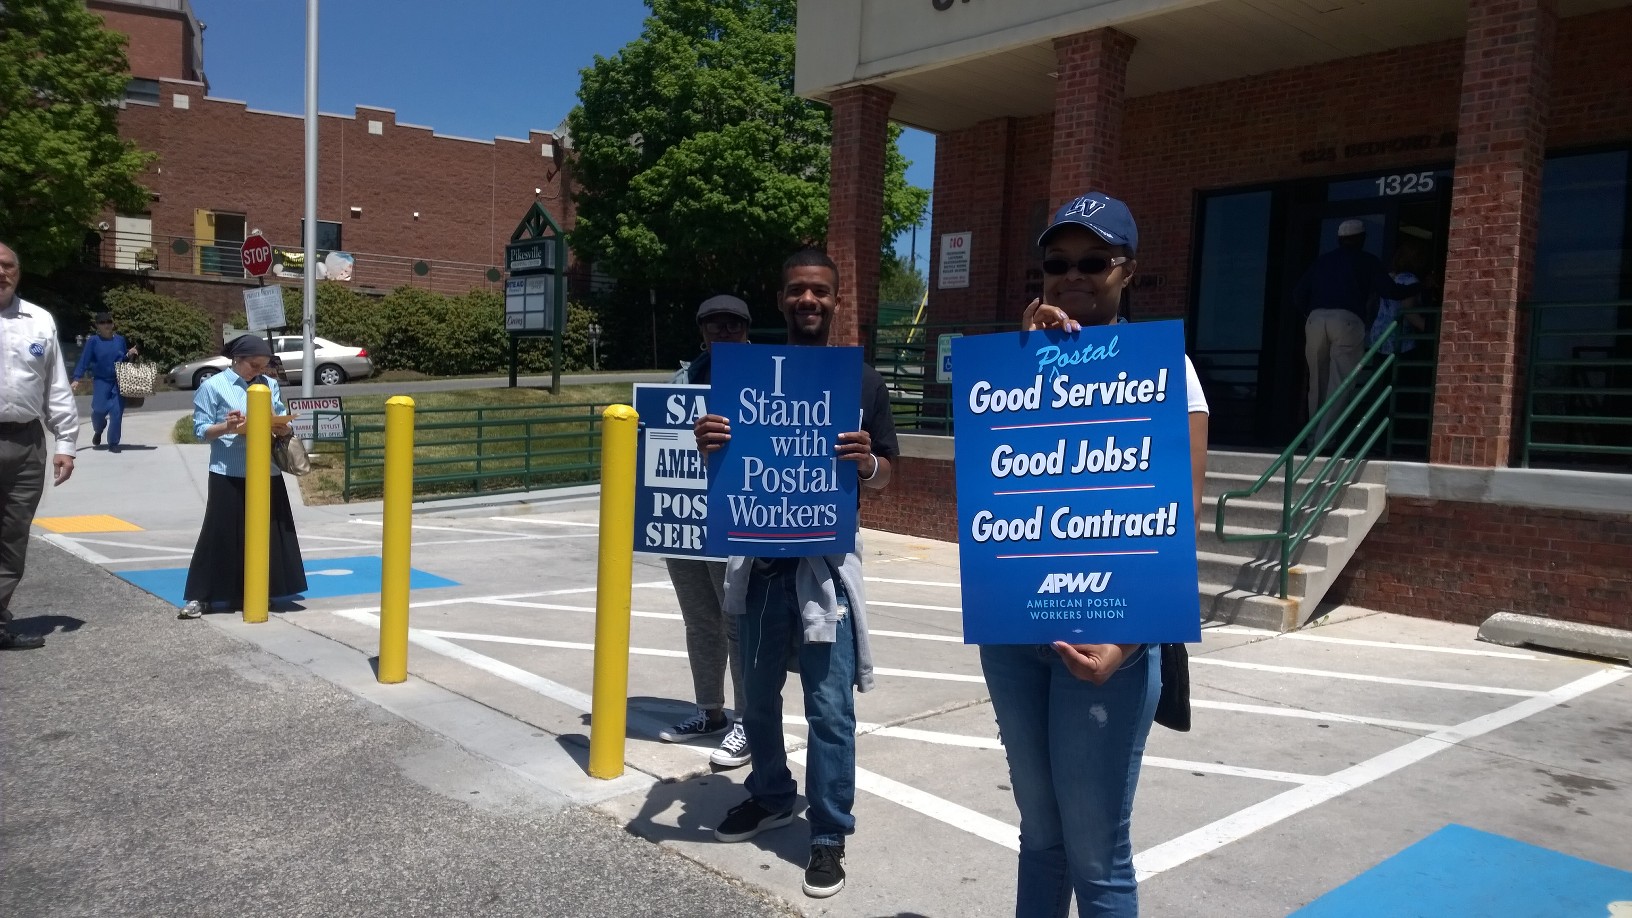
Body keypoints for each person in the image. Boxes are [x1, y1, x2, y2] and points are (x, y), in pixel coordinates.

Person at [1000, 192, 1210, 917]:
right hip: (1014, 630)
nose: (1072, 275)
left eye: (1093, 260)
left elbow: (1175, 524)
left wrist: (1127, 642)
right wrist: (1021, 361)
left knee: (1096, 856)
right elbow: (997, 492)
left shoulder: (1167, 372)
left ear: (1128, 272)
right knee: (1039, 837)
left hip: (1108, 637)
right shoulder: (1017, 365)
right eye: (1057, 263)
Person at [693, 249, 899, 899]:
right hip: (758, 567)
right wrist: (709, 443)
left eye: (819, 292)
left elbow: (891, 472)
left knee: (829, 710)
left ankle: (830, 832)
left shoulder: (861, 382)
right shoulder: (742, 376)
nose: (808, 300)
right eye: (796, 291)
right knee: (755, 700)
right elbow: (721, 472)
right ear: (781, 300)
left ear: (837, 301)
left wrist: (867, 464)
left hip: (823, 574)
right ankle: (772, 794)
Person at [657, 294, 754, 768]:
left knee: (736, 623)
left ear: (747, 329)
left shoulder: (761, 377)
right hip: (682, 519)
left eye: (733, 324)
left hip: (729, 520)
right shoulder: (682, 380)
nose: (723, 332)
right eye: (714, 324)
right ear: (701, 330)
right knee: (699, 619)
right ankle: (709, 711)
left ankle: (747, 722)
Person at [178, 334, 306, 619]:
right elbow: (200, 431)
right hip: (229, 470)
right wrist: (228, 426)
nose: (259, 371)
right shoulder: (213, 387)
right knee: (220, 533)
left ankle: (262, 590)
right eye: (254, 365)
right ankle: (203, 596)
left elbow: (280, 417)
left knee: (270, 532)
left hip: (266, 470)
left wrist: (282, 427)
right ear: (237, 360)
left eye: (264, 366)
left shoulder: (269, 384)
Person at [0, 240, 79, 650]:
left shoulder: (39, 320)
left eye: (8, 265)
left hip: (27, 441)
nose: (1, 272)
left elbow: (56, 387)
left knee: (13, 534)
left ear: (18, 272)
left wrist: (65, 442)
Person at [1293, 219, 1419, 436]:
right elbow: (1391, 291)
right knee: (1340, 383)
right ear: (1362, 239)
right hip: (1346, 321)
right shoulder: (1367, 260)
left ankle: (1312, 438)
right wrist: (1420, 286)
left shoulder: (1322, 261)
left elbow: (1297, 294)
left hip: (1314, 320)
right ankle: (1325, 440)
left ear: (1339, 240)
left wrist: (1310, 315)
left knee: (1317, 383)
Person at [72, 311, 138, 452]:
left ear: (113, 324)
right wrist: (77, 377)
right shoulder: (93, 341)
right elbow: (85, 359)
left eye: (109, 322)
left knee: (116, 412)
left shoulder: (120, 340)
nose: (106, 325)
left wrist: (129, 353)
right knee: (99, 410)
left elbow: (123, 359)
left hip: (118, 381)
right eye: (102, 323)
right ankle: (99, 429)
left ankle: (113, 443)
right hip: (101, 381)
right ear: (97, 326)